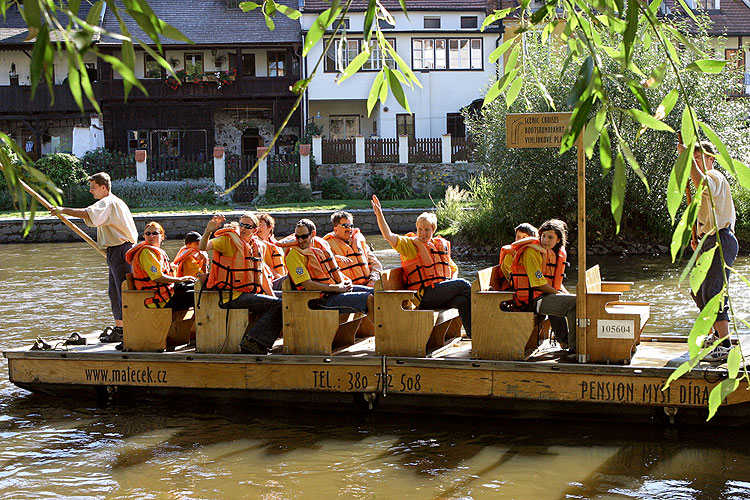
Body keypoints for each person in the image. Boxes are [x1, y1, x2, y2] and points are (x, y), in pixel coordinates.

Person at [50, 172, 138, 343]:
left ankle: (128, 329)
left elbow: (88, 214)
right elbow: (94, 218)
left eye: (93, 187)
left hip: (121, 250)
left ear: (103, 187)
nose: (91, 191)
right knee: (114, 292)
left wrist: (63, 210)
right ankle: (120, 328)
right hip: (116, 251)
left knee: (122, 291)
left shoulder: (108, 202)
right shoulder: (112, 202)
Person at [371, 195, 472, 337]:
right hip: (425, 295)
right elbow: (388, 236)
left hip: (439, 292)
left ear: (433, 231)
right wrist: (379, 215)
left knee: (462, 300)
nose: (423, 234)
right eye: (420, 229)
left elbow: (453, 269)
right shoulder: (410, 246)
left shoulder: (438, 246)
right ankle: (486, 314)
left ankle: (475, 336)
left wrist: (449, 282)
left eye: (427, 230)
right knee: (463, 285)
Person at [678, 140, 738, 362]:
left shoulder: (714, 176)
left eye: (699, 159)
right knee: (698, 291)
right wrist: (700, 238)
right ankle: (716, 334)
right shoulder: (704, 181)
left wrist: (687, 158)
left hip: (721, 240)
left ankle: (725, 344)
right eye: (694, 159)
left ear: (711, 159)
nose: (696, 163)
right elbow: (703, 212)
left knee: (713, 291)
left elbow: (702, 184)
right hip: (710, 239)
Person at [199, 213, 282, 355]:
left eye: (247, 226)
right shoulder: (227, 240)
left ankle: (259, 340)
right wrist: (208, 231)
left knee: (284, 301)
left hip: (248, 293)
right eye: (241, 225)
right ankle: (254, 341)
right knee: (278, 304)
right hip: (230, 296)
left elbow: (263, 280)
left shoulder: (258, 246)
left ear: (255, 230)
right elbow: (203, 246)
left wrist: (273, 297)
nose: (243, 229)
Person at [285, 219, 374, 315]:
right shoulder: (293, 255)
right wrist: (337, 288)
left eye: (304, 236)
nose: (300, 240)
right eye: (297, 237)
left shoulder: (320, 246)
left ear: (313, 234)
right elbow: (308, 285)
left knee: (376, 293)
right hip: (319, 301)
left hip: (334, 292)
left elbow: (333, 271)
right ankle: (381, 329)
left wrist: (345, 282)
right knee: (368, 298)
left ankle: (384, 326)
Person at [510, 219, 574, 351]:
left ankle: (565, 341)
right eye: (543, 236)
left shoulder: (555, 253)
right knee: (574, 303)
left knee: (574, 299)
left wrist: (564, 293)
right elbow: (538, 284)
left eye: (550, 237)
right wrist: (559, 294)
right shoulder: (532, 252)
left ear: (558, 240)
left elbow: (555, 284)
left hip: (544, 296)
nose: (545, 240)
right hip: (532, 299)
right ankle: (574, 346)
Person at [126, 222, 196, 311]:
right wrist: (181, 279)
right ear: (144, 236)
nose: (151, 236)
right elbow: (157, 277)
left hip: (167, 294)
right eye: (148, 234)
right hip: (157, 300)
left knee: (196, 287)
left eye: (155, 233)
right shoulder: (146, 252)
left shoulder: (156, 252)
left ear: (162, 236)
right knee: (199, 295)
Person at [324, 210, 383, 287]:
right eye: (345, 226)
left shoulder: (359, 241)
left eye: (351, 226)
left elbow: (375, 264)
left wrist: (373, 279)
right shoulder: (327, 246)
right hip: (348, 288)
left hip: (369, 284)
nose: (349, 229)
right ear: (335, 229)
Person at [497, 223, 538, 290]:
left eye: (524, 237)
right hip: (517, 286)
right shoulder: (510, 254)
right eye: (518, 236)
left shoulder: (535, 251)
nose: (520, 240)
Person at [256, 212, 288, 288]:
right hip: (268, 282)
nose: (258, 228)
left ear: (269, 227)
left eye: (261, 225)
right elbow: (262, 264)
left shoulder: (276, 245)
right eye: (256, 225)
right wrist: (276, 275)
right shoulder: (255, 245)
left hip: (280, 279)